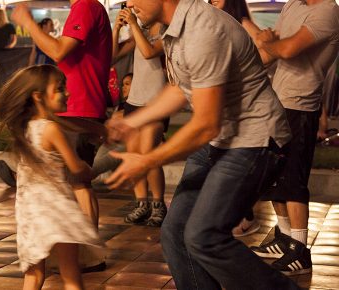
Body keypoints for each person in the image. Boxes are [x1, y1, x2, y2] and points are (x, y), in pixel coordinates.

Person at [105, 0, 300, 289]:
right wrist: (132, 121)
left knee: (204, 236)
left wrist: (147, 160)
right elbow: (181, 88)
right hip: (220, 140)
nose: (129, 3)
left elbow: (207, 123)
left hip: (256, 140)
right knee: (175, 232)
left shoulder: (203, 28)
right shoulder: (176, 29)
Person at [11, 0, 112, 273]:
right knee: (75, 182)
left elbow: (58, 51)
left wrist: (28, 22)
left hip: (78, 106)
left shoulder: (86, 6)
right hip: (80, 106)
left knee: (78, 183)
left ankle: (87, 255)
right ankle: (83, 254)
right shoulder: (88, 8)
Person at [250, 0, 339, 276]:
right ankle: (285, 238)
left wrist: (264, 41)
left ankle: (300, 250)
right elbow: (272, 50)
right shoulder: (291, 5)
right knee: (276, 176)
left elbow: (286, 49)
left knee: (293, 179)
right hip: (276, 100)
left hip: (300, 106)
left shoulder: (327, 10)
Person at [0, 64, 102, 290]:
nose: (68, 93)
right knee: (71, 275)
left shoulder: (24, 128)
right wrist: (91, 170)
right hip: (56, 211)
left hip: (29, 213)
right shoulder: (51, 129)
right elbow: (76, 168)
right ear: (38, 97)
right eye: (61, 88)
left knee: (33, 276)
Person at [209, 0, 261, 237]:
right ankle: (236, 212)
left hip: (245, 104)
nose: (211, 0)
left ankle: (246, 215)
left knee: (233, 162)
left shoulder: (241, 22)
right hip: (225, 105)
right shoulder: (213, 25)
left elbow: (264, 47)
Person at [112, 7, 168, 227]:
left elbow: (150, 52)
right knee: (134, 154)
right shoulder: (140, 29)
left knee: (149, 154)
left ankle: (158, 204)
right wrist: (116, 30)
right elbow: (113, 56)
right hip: (134, 101)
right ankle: (141, 203)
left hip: (156, 102)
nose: (135, 8)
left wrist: (134, 25)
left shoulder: (168, 29)